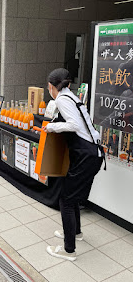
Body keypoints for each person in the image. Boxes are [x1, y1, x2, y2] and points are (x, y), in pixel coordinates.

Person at [44, 68, 104, 261]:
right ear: (68, 84)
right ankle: (76, 232)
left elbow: (74, 125)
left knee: (66, 200)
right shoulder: (72, 97)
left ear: (52, 86)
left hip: (86, 157)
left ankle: (69, 250)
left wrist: (52, 126)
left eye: (49, 86)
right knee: (73, 196)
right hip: (93, 154)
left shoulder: (61, 99)